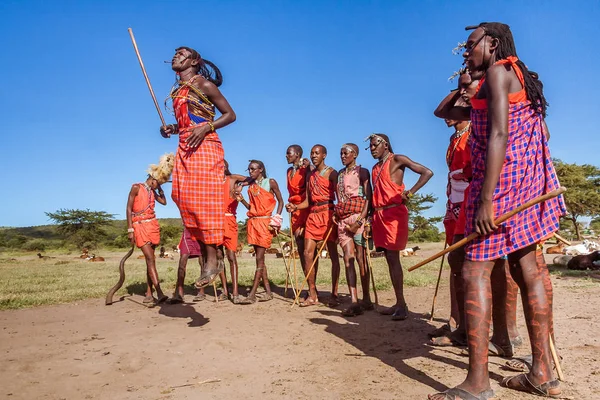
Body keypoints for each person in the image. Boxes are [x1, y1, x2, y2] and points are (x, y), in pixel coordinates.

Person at [428, 22, 565, 400]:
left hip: (502, 185)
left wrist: (486, 199)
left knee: (473, 272)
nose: (465, 51)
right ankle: (542, 373)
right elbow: (448, 114)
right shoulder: (516, 74)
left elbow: (499, 134)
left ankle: (478, 382)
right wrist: (465, 85)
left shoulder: (499, 70)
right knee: (529, 268)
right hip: (529, 182)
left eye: (470, 44)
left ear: (492, 42)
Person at [431, 72, 523, 351]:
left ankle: (507, 332)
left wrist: (475, 89)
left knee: (498, 265)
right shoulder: (457, 137)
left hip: (487, 198)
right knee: (458, 262)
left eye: (466, 88)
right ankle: (465, 326)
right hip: (460, 202)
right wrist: (460, 88)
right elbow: (441, 110)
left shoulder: (480, 125)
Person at [161, 46, 236, 288]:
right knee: (182, 197)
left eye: (181, 53)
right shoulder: (178, 90)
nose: (175, 56)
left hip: (205, 146)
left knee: (203, 202)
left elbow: (230, 115)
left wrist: (207, 127)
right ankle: (208, 256)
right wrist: (173, 129)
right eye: (174, 53)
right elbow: (189, 120)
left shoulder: (203, 85)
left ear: (194, 60)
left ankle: (212, 261)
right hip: (185, 146)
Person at [367, 134, 433, 320]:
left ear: (385, 144)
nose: (372, 149)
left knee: (394, 258)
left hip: (394, 213)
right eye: (370, 147)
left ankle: (402, 305)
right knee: (389, 258)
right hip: (379, 215)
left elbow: (427, 172)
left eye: (374, 145)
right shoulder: (375, 168)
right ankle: (399, 303)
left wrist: (410, 193)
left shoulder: (397, 159)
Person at [286, 145, 341, 307]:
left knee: (333, 255)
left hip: (328, 213)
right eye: (312, 153)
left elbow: (340, 196)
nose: (314, 155)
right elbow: (308, 201)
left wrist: (339, 213)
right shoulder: (310, 175)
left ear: (324, 155)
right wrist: (295, 207)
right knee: (307, 253)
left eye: (317, 153)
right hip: (313, 215)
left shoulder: (332, 173)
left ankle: (335, 293)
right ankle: (312, 293)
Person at [126, 153, 174, 304]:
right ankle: (159, 293)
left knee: (151, 260)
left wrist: (160, 189)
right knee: (149, 258)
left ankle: (148, 293)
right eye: (158, 182)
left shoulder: (153, 190)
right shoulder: (136, 187)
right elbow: (128, 209)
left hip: (152, 225)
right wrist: (130, 229)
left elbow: (164, 202)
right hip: (139, 226)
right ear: (152, 179)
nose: (158, 184)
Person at [237, 160, 284, 304]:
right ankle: (268, 293)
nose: (250, 172)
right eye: (249, 169)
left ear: (261, 169)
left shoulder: (271, 182)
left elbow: (281, 201)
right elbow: (251, 208)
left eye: (253, 169)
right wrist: (242, 200)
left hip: (265, 223)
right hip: (253, 223)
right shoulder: (251, 186)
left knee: (259, 258)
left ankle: (252, 294)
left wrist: (277, 219)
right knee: (260, 259)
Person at [334, 143, 373, 317]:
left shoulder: (362, 172)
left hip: (358, 218)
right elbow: (339, 198)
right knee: (348, 259)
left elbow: (368, 198)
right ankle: (354, 301)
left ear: (354, 154)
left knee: (361, 258)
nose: (342, 156)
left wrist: (360, 221)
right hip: (343, 220)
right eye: (341, 153)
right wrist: (337, 213)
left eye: (346, 153)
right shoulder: (340, 175)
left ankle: (366, 298)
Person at [223, 160, 251, 304]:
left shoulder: (232, 179)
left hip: (230, 220)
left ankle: (235, 292)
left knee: (231, 256)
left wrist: (240, 186)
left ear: (227, 166)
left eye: (223, 164)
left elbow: (251, 178)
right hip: (215, 221)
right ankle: (224, 290)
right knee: (218, 256)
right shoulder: (212, 181)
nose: (220, 167)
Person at [285, 145, 310, 283]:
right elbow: (291, 193)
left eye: (289, 153)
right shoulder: (289, 171)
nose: (286, 156)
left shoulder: (305, 169)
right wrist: (290, 205)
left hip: (305, 209)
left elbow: (310, 190)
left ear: (298, 154)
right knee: (300, 251)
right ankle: (309, 285)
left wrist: (308, 166)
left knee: (308, 251)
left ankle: (312, 288)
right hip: (294, 211)